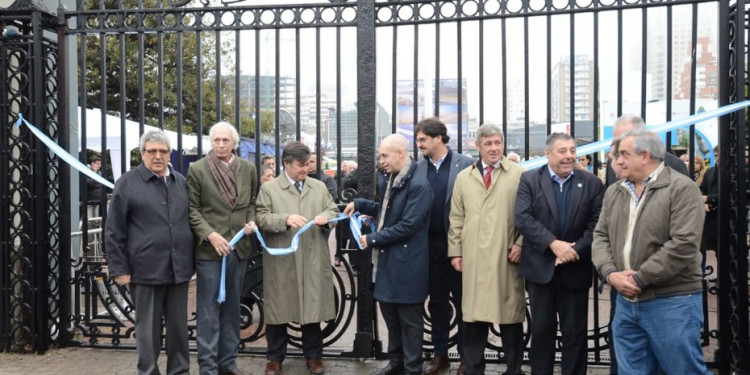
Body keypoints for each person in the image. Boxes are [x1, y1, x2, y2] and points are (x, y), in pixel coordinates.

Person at [592, 129, 710, 375]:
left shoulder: (682, 189)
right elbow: (600, 236)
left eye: (624, 154)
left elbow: (684, 245)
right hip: (626, 303)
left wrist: (638, 278)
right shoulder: (615, 191)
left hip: (671, 302)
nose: (619, 160)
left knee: (683, 370)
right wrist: (611, 273)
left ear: (645, 156)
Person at [105, 129, 194, 375]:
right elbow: (113, 230)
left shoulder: (180, 182)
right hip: (144, 270)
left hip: (178, 269)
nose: (157, 156)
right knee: (148, 331)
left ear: (170, 154)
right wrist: (119, 269)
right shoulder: (127, 183)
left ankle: (179, 371)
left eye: (163, 151)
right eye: (152, 151)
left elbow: (189, 221)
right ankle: (148, 371)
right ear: (142, 153)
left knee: (178, 329)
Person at [515, 133, 604, 375]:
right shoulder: (530, 180)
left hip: (575, 268)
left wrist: (574, 250)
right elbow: (523, 218)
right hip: (540, 269)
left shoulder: (592, 183)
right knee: (542, 332)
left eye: (572, 151)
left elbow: (597, 225)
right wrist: (553, 244)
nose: (569, 156)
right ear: (548, 153)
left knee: (574, 334)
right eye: (562, 151)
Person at [343, 134, 432, 375]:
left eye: (384, 155)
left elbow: (408, 225)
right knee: (391, 317)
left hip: (408, 263)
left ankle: (413, 368)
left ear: (400, 154)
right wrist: (361, 203)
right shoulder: (391, 178)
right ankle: (396, 364)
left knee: (410, 323)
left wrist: (372, 239)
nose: (380, 160)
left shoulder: (419, 185)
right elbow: (385, 211)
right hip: (387, 261)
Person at [256, 141, 340, 375]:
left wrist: (325, 216)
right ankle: (274, 358)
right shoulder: (270, 189)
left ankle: (314, 356)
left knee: (311, 308)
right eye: (301, 165)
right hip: (282, 259)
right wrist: (284, 219)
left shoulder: (319, 187)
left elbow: (333, 210)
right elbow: (261, 217)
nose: (306, 169)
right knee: (278, 309)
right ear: (287, 164)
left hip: (312, 256)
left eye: (308, 164)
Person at [448, 123, 526, 375]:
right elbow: (456, 217)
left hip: (506, 256)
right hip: (473, 258)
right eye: (488, 143)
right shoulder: (464, 177)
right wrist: (455, 251)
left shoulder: (518, 174)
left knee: (510, 317)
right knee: (473, 318)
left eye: (497, 143)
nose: (494, 148)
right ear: (477, 146)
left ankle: (514, 370)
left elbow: (531, 214)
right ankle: (473, 369)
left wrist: (521, 243)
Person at [187, 122, 258, 375]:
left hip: (238, 249)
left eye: (225, 141)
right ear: (210, 142)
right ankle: (208, 367)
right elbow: (192, 209)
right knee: (208, 312)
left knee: (231, 310)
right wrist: (210, 235)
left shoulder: (248, 168)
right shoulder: (197, 169)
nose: (220, 145)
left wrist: (251, 220)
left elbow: (252, 202)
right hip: (210, 252)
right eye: (216, 140)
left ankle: (228, 364)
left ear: (234, 143)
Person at [413, 117, 474, 374]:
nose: (419, 145)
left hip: (459, 246)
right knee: (436, 302)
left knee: (463, 302)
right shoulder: (417, 168)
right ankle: (440, 354)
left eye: (422, 139)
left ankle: (466, 356)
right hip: (429, 245)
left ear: (438, 138)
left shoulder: (466, 164)